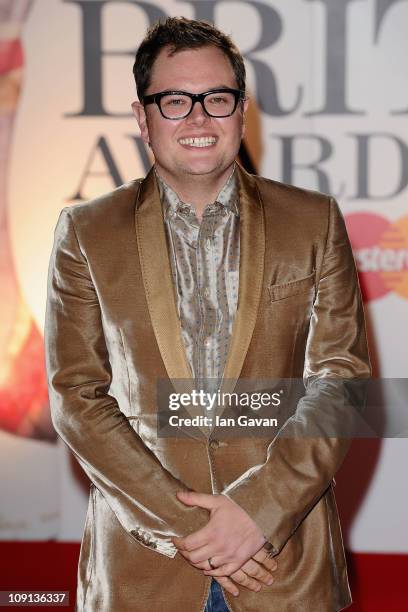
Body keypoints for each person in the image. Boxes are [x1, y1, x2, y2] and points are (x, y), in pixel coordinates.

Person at [44, 16, 371, 612]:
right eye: (174, 100)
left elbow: (341, 383)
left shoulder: (314, 220)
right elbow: (76, 396)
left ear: (241, 111)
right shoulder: (86, 232)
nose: (198, 118)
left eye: (216, 98)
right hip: (146, 565)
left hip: (283, 559)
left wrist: (257, 511)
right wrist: (190, 525)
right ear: (142, 117)